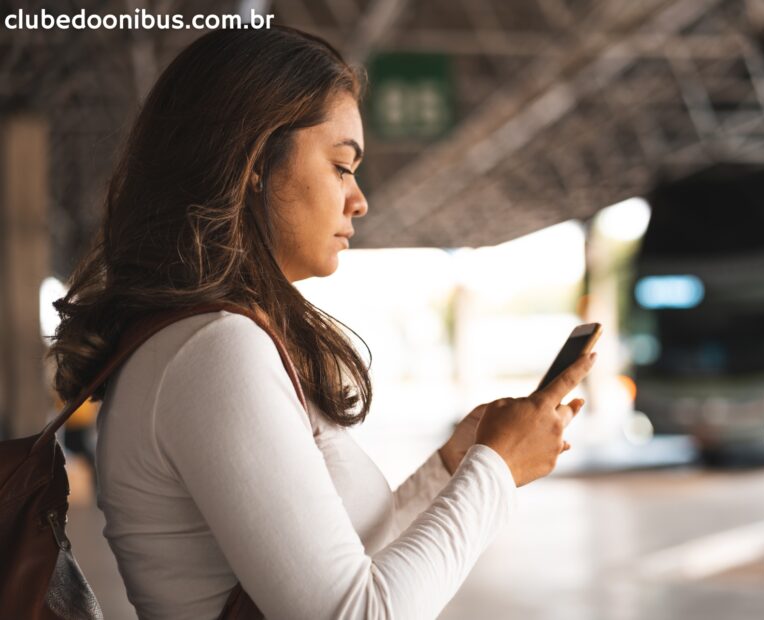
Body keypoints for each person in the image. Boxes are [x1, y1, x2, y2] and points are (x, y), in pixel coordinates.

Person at [48, 25, 595, 619]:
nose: (358, 200)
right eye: (341, 166)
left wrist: (456, 463)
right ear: (254, 162)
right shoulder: (213, 351)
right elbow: (355, 613)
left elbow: (347, 568)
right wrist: (496, 468)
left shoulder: (206, 340)